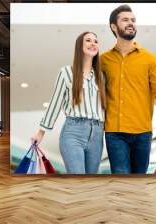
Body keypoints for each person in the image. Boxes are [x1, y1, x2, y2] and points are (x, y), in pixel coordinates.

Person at [101, 5, 156, 174]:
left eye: (133, 20)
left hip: (142, 132)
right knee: (121, 178)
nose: (131, 23)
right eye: (125, 20)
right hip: (114, 132)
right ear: (113, 26)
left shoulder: (149, 58)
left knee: (140, 179)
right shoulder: (104, 60)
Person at [31, 32, 106, 174]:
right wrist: (41, 133)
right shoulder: (66, 72)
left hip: (97, 135)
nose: (93, 43)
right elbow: (55, 103)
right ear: (80, 46)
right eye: (88, 40)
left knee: (92, 183)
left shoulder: (101, 77)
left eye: (96, 41)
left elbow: (105, 108)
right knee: (78, 181)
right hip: (73, 133)